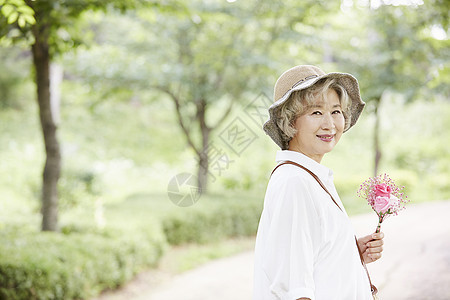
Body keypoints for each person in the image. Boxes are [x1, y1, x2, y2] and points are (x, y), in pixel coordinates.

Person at [253, 65, 384, 300]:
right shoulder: (295, 183)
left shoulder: (309, 176)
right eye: (316, 113)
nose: (330, 124)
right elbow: (295, 290)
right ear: (290, 121)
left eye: (335, 111)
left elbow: (311, 260)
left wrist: (351, 252)